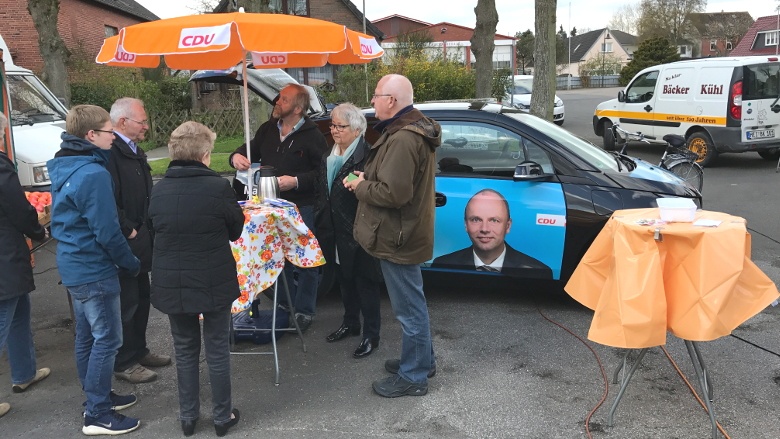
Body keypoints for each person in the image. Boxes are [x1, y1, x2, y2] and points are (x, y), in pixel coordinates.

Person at [344, 74, 441, 397]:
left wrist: (360, 186)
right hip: (404, 231)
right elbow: (397, 181)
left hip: (399, 235)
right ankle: (422, 360)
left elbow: (394, 194)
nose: (371, 101)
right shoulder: (407, 130)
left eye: (376, 96)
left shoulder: (402, 138)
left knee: (409, 308)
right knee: (413, 303)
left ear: (392, 101)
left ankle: (414, 376)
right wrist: (367, 175)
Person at [47, 105, 141, 435]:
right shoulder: (93, 173)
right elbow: (107, 230)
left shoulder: (65, 165)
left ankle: (98, 397)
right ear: (91, 135)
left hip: (74, 264)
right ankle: (97, 412)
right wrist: (130, 263)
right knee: (108, 339)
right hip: (94, 267)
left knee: (88, 336)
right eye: (107, 131)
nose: (113, 137)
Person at [149, 121, 244, 437]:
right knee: (216, 348)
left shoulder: (158, 190)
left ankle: (188, 418)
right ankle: (221, 417)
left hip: (172, 283)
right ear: (205, 155)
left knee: (185, 349)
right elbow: (236, 230)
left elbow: (152, 232)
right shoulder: (218, 188)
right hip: (213, 279)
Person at [228, 83, 327, 332]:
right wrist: (235, 157)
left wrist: (295, 181)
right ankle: (284, 305)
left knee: (305, 260)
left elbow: (322, 174)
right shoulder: (268, 129)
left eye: (283, 99)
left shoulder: (313, 136)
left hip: (300, 206)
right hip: (268, 206)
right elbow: (248, 149)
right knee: (274, 257)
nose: (277, 102)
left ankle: (304, 310)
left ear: (297, 108)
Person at [107, 98, 171, 384]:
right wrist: (128, 229)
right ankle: (124, 361)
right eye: (141, 121)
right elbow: (107, 199)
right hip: (128, 239)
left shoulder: (132, 150)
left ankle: (139, 350)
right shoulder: (111, 153)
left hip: (142, 236)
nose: (146, 126)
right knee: (127, 302)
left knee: (142, 298)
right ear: (123, 122)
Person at [314, 103, 383, 358]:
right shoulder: (328, 155)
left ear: (356, 129)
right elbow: (322, 191)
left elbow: (375, 194)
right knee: (343, 280)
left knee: (366, 283)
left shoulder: (368, 157)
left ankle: (371, 335)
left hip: (359, 231)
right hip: (333, 230)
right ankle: (350, 323)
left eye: (339, 126)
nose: (333, 130)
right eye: (332, 125)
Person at [0, 112, 50, 419]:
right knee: (5, 315)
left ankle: (24, 372)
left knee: (19, 312)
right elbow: (18, 207)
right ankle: (23, 372)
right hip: (4, 254)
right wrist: (37, 230)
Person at [431, 189, 553, 278]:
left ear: (508, 226)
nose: (485, 229)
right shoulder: (442, 264)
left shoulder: (538, 271)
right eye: (476, 220)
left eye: (494, 220)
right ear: (465, 225)